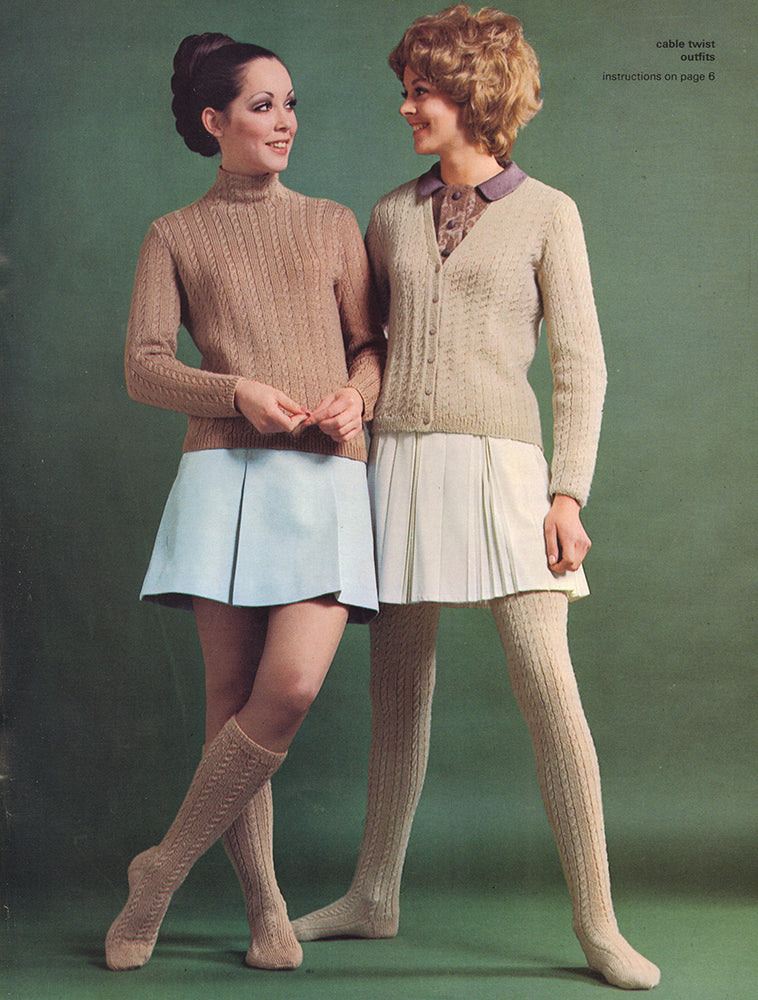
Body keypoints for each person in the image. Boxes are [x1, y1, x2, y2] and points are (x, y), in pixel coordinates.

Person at [292, 6, 660, 990]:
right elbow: (373, 349)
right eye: (405, 88)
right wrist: (352, 402)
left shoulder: (550, 214)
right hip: (399, 467)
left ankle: (597, 922)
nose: (405, 105)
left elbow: (580, 365)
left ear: (473, 95)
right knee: (397, 693)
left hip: (505, 471)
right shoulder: (387, 215)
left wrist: (567, 494)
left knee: (548, 687)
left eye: (421, 90)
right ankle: (373, 896)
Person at [105, 32, 385, 972]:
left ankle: (160, 868)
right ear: (212, 120)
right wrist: (236, 392)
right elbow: (145, 368)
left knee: (288, 691)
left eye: (290, 103)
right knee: (230, 701)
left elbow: (370, 346)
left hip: (326, 477)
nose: (285, 121)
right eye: (263, 106)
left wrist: (357, 398)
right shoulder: (174, 235)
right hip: (225, 479)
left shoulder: (333, 222)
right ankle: (265, 907)